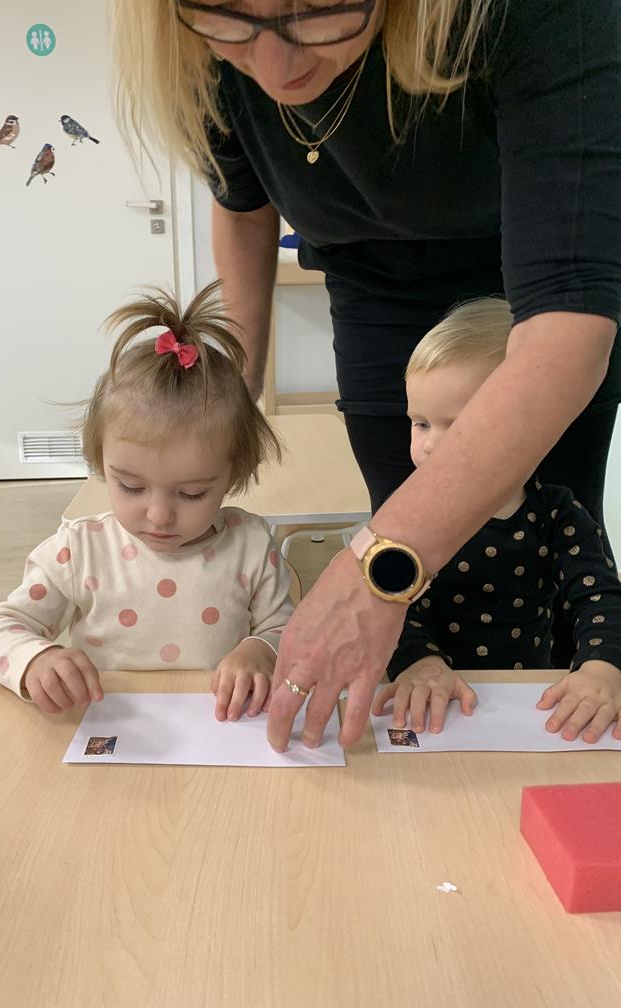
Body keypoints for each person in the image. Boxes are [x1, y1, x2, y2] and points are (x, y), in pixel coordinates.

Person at [113, 1, 621, 751]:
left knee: (529, 535)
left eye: (320, 14)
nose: (276, 69)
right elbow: (242, 203)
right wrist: (230, 400)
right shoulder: (204, 50)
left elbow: (567, 327)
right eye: (231, 22)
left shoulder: (534, 16)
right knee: (401, 531)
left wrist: (381, 569)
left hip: (529, 285)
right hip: (369, 282)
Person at [0, 283, 293, 721]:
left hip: (220, 730)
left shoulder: (252, 545)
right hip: (110, 730)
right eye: (130, 486)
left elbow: (286, 629)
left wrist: (260, 649)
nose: (159, 515)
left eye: (192, 493)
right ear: (101, 462)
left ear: (233, 474)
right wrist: (36, 660)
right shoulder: (79, 550)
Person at [371, 298, 621, 744]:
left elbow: (599, 597)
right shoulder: (405, 513)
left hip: (529, 706)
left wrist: (601, 669)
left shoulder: (558, 513)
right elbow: (390, 605)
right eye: (421, 423)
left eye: (457, 426)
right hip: (434, 703)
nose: (429, 446)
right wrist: (419, 663)